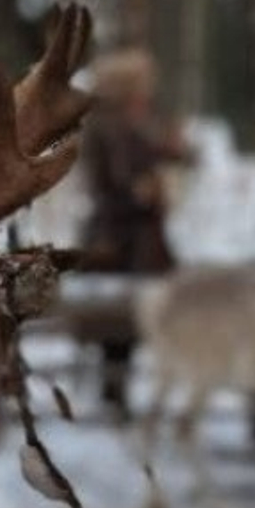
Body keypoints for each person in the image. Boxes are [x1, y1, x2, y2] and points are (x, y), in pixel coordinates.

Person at [78, 47, 192, 421]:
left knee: (143, 314)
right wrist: (146, 187)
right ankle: (114, 393)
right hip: (118, 233)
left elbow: (167, 156)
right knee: (118, 319)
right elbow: (114, 181)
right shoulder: (107, 123)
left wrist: (175, 156)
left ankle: (126, 391)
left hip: (143, 233)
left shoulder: (137, 119)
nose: (149, 89)